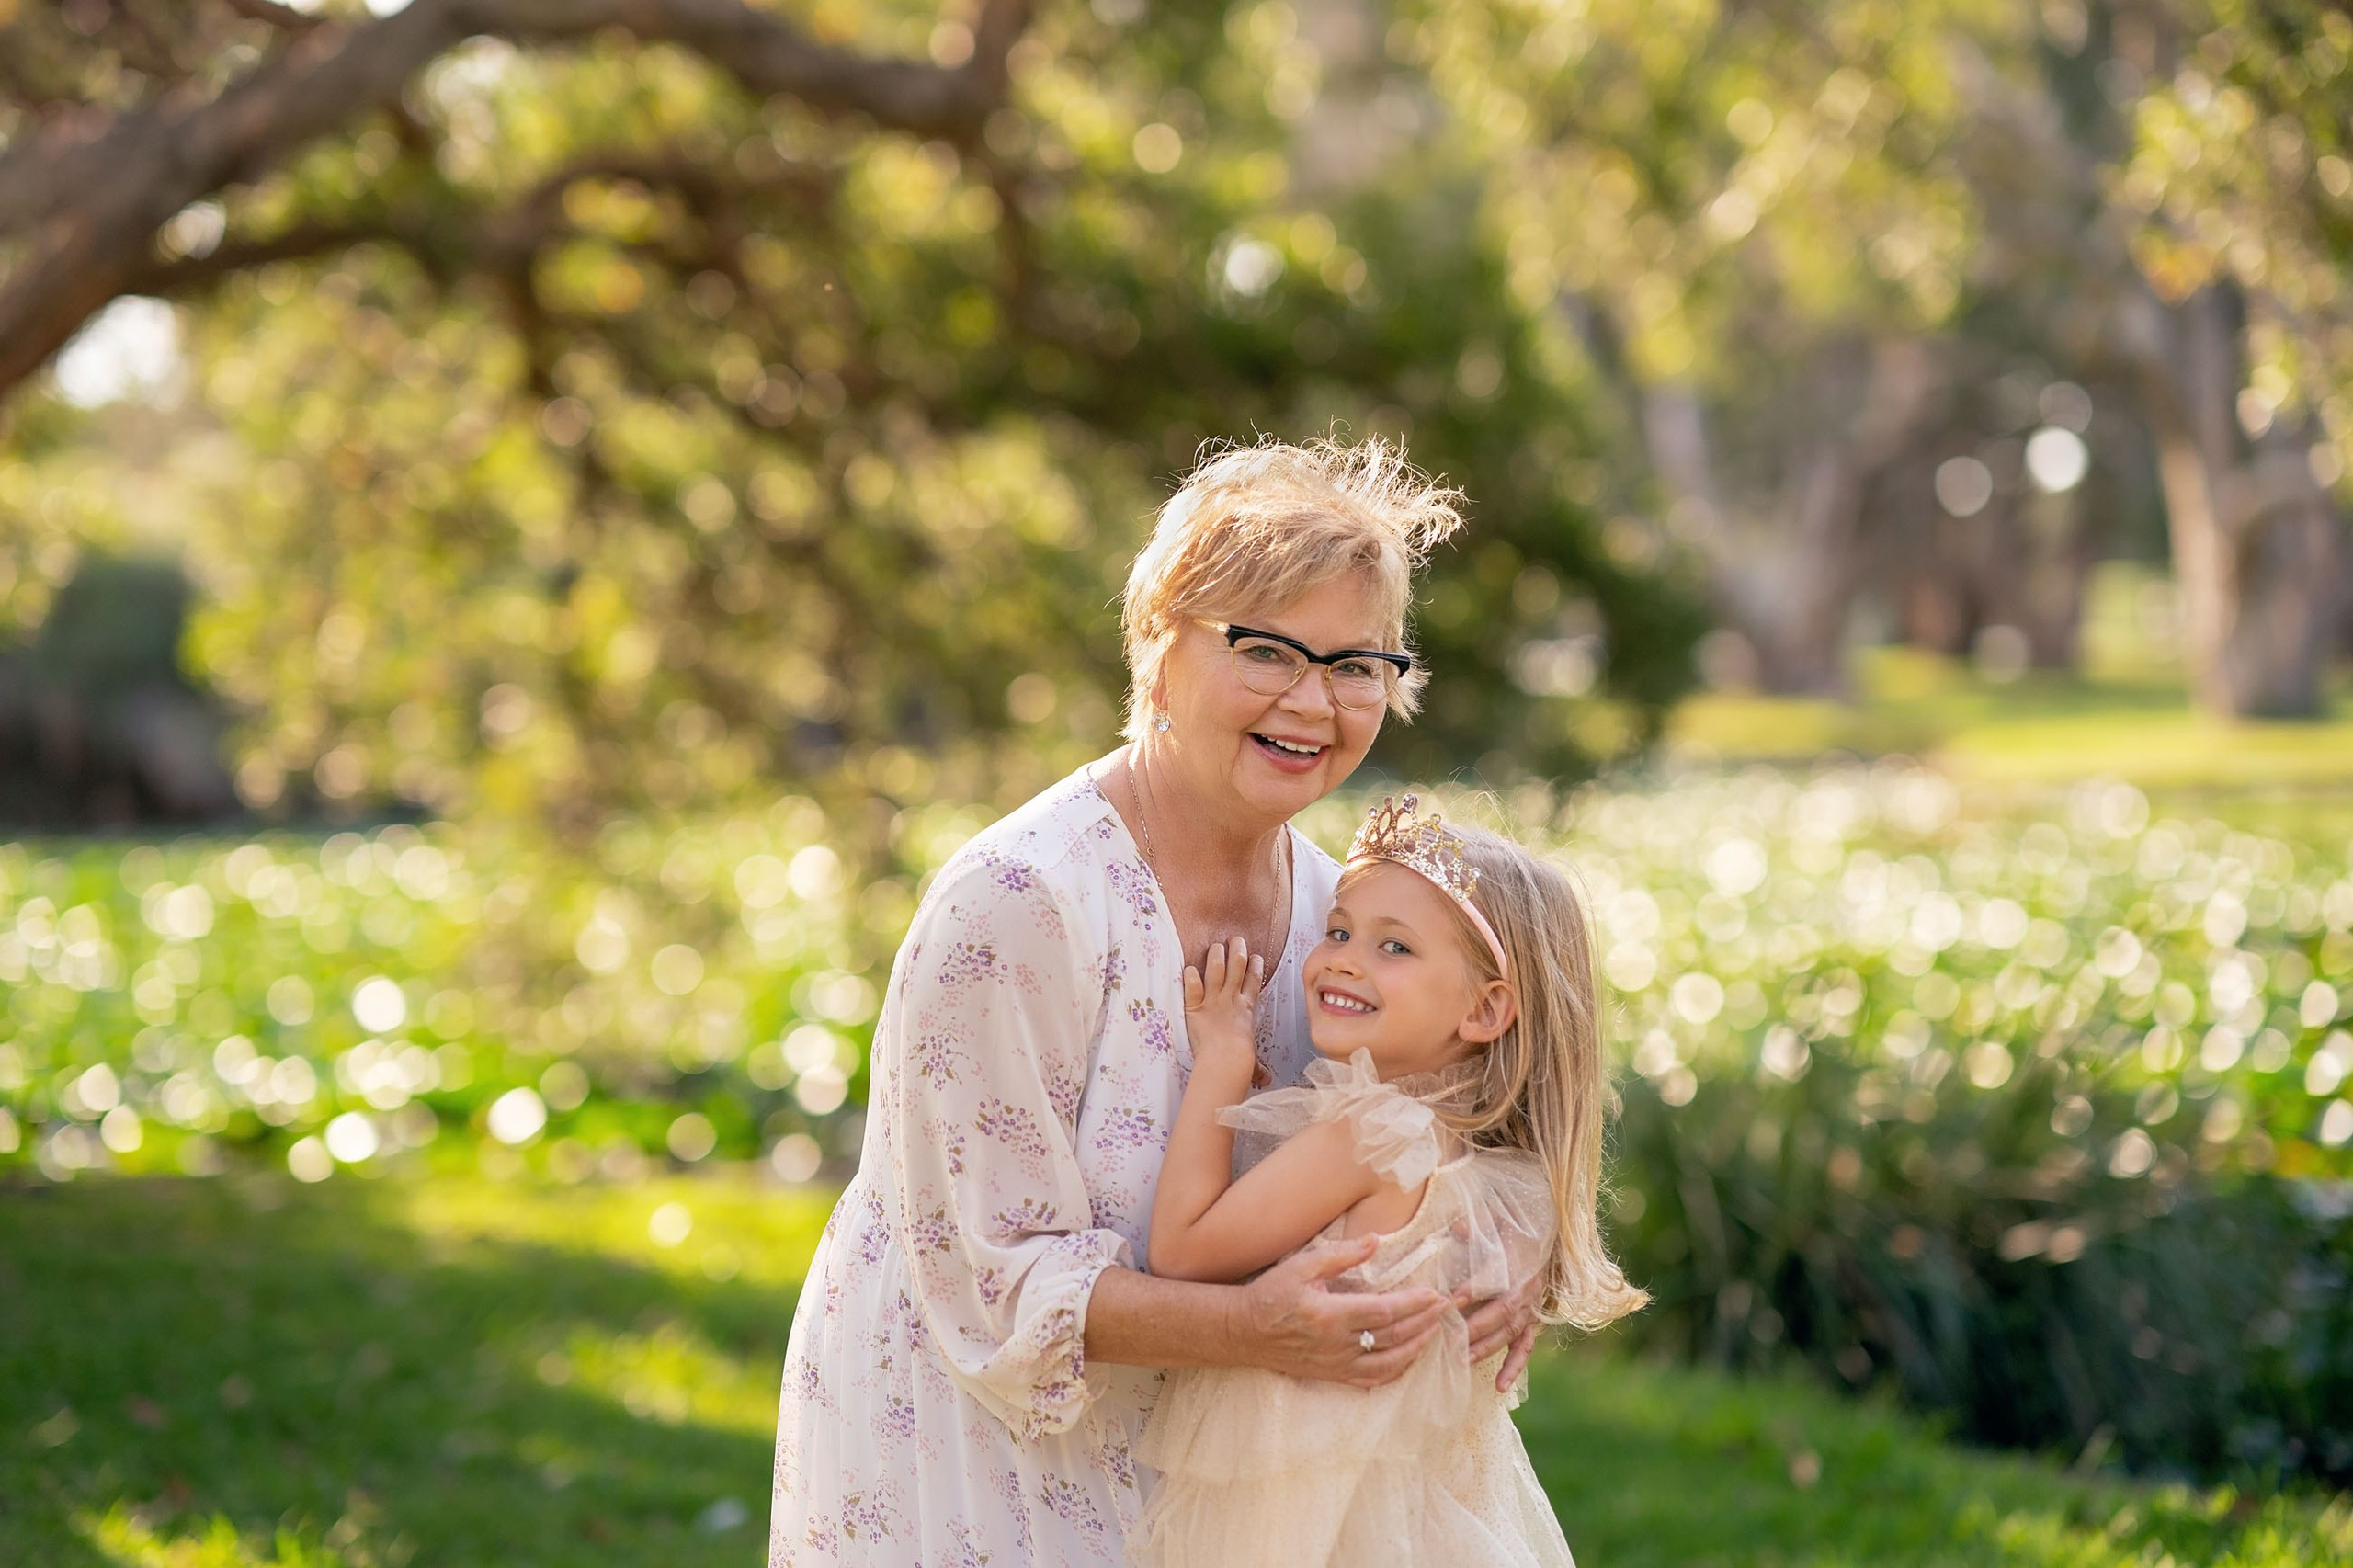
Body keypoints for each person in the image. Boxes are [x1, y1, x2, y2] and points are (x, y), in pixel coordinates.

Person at [769, 438, 1547, 1566]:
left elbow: (1449, 1115)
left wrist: (1500, 1253)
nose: (1313, 702)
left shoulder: (1342, 916)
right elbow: (992, 1278)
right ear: (1158, 650)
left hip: (1225, 1464)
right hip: (977, 1442)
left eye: (1355, 664)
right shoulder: (1022, 904)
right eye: (1266, 649)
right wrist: (1256, 1330)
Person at [1129, 796, 1647, 1568]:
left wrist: (1223, 1060)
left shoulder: (1370, 1134)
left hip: (1303, 1513)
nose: (1342, 957)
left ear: (1486, 1009)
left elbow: (1181, 1249)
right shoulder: (1491, 1160)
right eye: (1338, 931)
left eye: (1393, 948)